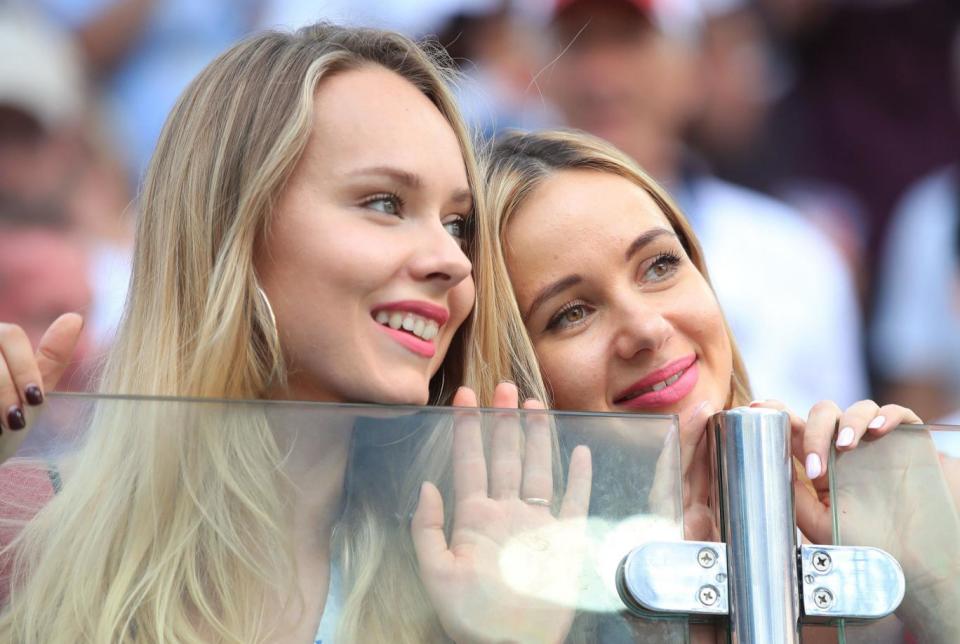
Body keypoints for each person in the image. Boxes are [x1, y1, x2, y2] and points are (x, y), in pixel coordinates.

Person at [0, 22, 590, 643]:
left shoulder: (470, 575)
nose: (455, 261)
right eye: (385, 203)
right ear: (234, 226)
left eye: (457, 223)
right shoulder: (26, 528)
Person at [476, 128, 960, 640]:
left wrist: (932, 583)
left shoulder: (909, 506)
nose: (646, 328)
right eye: (572, 313)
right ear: (507, 368)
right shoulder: (493, 592)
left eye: (659, 265)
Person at [540, 0, 868, 414]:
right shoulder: (504, 256)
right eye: (578, 45)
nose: (602, 77)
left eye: (630, 42)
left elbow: (837, 437)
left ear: (693, 71)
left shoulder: (796, 252)